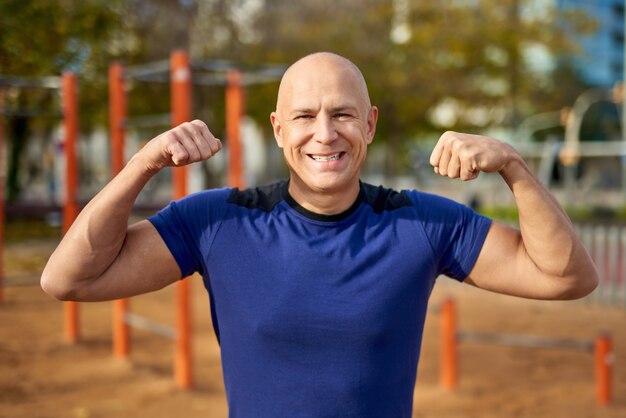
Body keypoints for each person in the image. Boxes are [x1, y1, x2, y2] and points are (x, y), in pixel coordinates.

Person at [41, 52, 598, 417]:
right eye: (305, 116)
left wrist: (515, 169)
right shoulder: (216, 222)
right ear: (279, 130)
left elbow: (567, 277)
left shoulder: (423, 223)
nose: (325, 133)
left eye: (343, 114)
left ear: (371, 124)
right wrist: (141, 165)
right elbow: (68, 278)